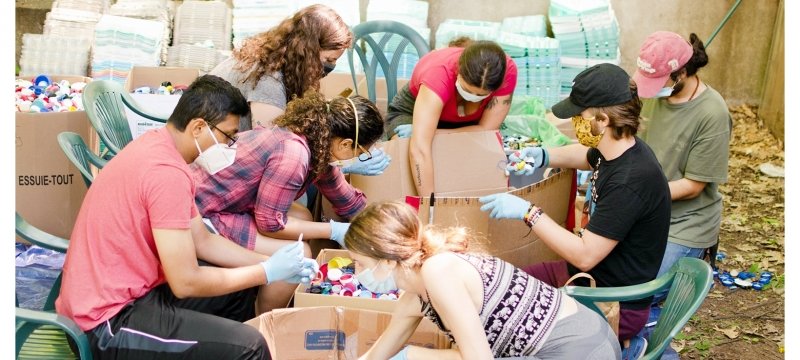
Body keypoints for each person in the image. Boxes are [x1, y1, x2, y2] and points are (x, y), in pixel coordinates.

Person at [56, 75, 316, 359]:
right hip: (104, 321)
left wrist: (272, 265)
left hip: (129, 294)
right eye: (228, 136)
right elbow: (186, 282)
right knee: (250, 346)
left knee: (238, 293)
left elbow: (203, 241)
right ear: (199, 127)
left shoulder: (160, 149)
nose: (231, 146)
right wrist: (267, 272)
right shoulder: (166, 174)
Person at [478, 63, 671, 360]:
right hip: (584, 276)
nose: (574, 123)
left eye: (579, 117)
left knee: (508, 321)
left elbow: (584, 254)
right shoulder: (618, 149)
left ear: (602, 119)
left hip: (611, 301)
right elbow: (586, 156)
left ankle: (623, 346)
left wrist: (528, 212)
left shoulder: (629, 181)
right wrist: (543, 155)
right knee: (493, 286)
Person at [346, 201, 620, 360]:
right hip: (585, 338)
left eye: (362, 264)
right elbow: (376, 356)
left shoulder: (438, 271)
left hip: (581, 350)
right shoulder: (414, 296)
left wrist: (410, 356)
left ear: (387, 260)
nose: (358, 272)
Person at [193, 91, 386, 311]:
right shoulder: (294, 153)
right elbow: (271, 225)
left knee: (302, 216)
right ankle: (264, 318)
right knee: (299, 254)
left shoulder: (318, 143)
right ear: (345, 144)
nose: (362, 158)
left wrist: (381, 231)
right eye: (363, 153)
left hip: (232, 203)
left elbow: (348, 200)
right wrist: (333, 230)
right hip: (207, 211)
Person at [632, 31, 731, 356]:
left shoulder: (711, 113)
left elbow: (693, 186)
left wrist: (636, 196)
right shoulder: (658, 95)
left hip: (685, 223)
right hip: (648, 211)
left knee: (640, 298)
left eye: (659, 80)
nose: (652, 90)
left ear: (683, 72)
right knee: (617, 284)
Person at [384, 39, 518, 196]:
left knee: (465, 160)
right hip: (412, 111)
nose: (473, 97)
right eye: (468, 90)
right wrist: (430, 205)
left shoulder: (507, 71)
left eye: (481, 95)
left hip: (468, 122)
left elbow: (485, 129)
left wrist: (433, 133)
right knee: (406, 151)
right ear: (458, 71)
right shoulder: (438, 74)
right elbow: (419, 150)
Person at [211, 4, 352, 131]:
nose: (331, 67)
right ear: (307, 52)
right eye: (328, 60)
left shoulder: (275, 58)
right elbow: (270, 145)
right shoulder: (268, 79)